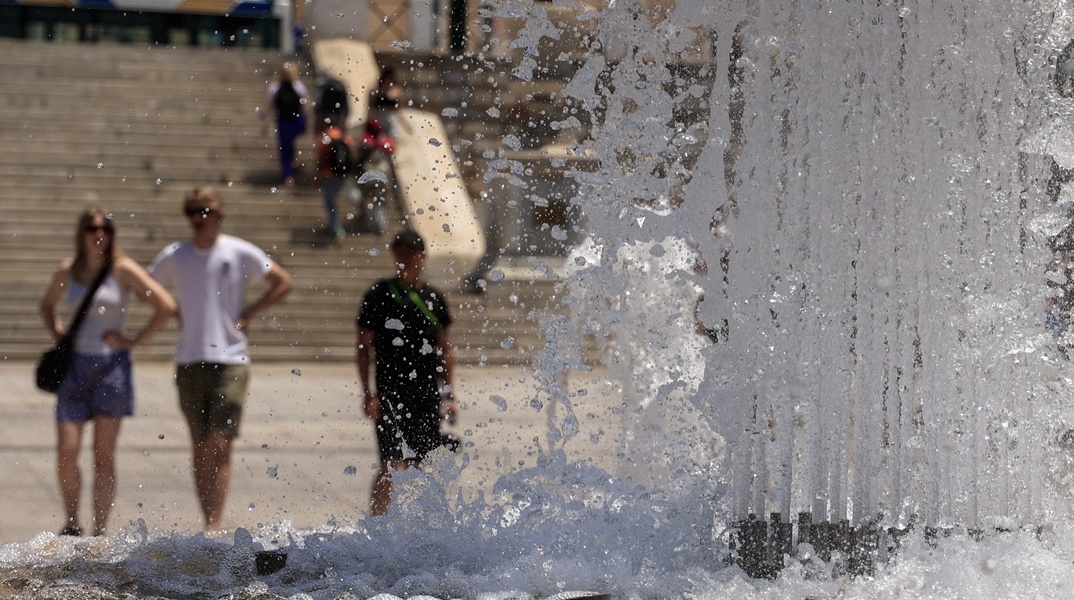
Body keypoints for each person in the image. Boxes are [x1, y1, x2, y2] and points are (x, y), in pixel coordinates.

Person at [150, 186, 294, 531]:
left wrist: (251, 312)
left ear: (218, 215)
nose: (199, 219)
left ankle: (214, 521)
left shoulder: (238, 251)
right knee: (200, 445)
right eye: (193, 213)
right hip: (189, 358)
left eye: (204, 212)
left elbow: (283, 281)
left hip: (231, 357)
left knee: (220, 441)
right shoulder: (176, 255)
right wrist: (169, 309)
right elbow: (145, 285)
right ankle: (207, 519)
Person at [39, 207, 177, 536]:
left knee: (103, 455)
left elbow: (166, 305)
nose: (99, 234)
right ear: (81, 233)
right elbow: (47, 305)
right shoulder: (68, 270)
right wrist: (59, 334)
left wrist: (133, 340)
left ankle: (100, 530)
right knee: (67, 451)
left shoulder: (122, 269)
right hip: (75, 367)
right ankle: (72, 522)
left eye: (105, 229)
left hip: (111, 367)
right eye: (92, 228)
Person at [356, 230, 460, 516]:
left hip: (426, 393)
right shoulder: (379, 294)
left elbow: (445, 351)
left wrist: (449, 395)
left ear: (422, 256)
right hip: (389, 392)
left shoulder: (433, 298)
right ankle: (377, 524)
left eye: (410, 252)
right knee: (389, 463)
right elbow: (363, 347)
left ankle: (414, 524)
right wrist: (368, 394)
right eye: (399, 252)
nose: (404, 258)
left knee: (419, 463)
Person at [262, 62, 309, 186]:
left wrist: (265, 124)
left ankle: (288, 175)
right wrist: (306, 122)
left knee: (285, 148)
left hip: (283, 121)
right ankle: (291, 165)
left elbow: (270, 107)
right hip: (297, 120)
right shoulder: (299, 86)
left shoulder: (274, 87)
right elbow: (304, 106)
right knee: (290, 145)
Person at [316, 120, 356, 243]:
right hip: (343, 174)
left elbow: (322, 158)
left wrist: (317, 174)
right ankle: (361, 214)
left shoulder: (325, 138)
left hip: (330, 174)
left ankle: (336, 229)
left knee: (330, 201)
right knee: (339, 198)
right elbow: (353, 156)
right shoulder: (346, 138)